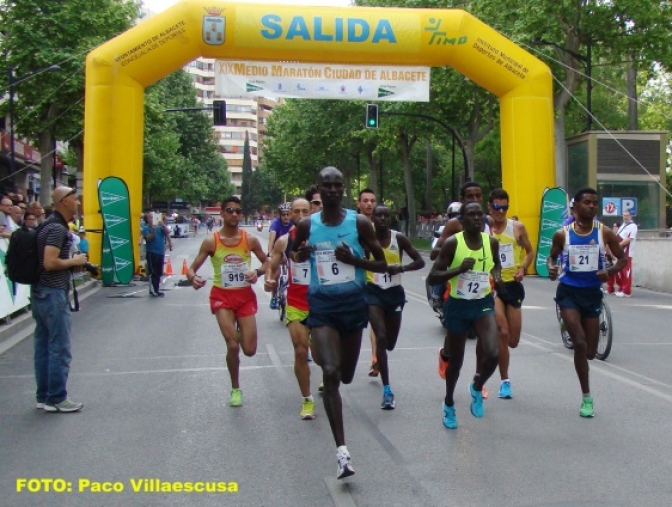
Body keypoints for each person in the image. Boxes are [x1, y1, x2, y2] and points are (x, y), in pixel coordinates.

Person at [291, 166, 387, 479]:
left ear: (343, 189)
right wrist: (301, 254)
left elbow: (381, 262)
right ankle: (342, 453)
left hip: (353, 306)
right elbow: (296, 256)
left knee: (345, 375)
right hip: (322, 307)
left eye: (337, 185)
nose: (332, 190)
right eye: (326, 186)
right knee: (330, 373)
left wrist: (355, 261)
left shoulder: (358, 222)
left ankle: (333, 365)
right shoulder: (308, 225)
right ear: (318, 188)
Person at [548, 188, 627, 417]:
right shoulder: (562, 234)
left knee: (590, 352)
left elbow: (622, 258)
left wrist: (610, 271)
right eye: (587, 202)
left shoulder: (604, 233)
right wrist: (552, 267)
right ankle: (586, 397)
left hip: (592, 293)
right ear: (576, 206)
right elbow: (552, 256)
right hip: (569, 293)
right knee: (580, 344)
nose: (592, 206)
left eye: (595, 203)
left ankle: (574, 330)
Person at [187, 197, 268, 407]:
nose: (234, 214)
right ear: (222, 213)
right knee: (232, 345)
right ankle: (235, 388)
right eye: (230, 210)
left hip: (244, 297)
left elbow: (268, 262)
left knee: (249, 350)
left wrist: (257, 272)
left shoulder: (249, 240)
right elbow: (191, 268)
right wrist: (192, 278)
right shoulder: (211, 241)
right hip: (222, 296)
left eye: (238, 211)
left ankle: (240, 331)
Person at [428, 202, 502, 429]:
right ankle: (449, 402)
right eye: (471, 215)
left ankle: (477, 386)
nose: (477, 218)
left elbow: (496, 265)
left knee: (493, 353)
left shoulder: (491, 242)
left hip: (482, 303)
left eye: (480, 215)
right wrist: (458, 269)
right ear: (462, 219)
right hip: (458, 305)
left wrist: (496, 277)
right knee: (456, 362)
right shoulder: (453, 243)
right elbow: (433, 276)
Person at [429, 181, 492, 399]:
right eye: (470, 196)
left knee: (488, 342)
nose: (474, 200)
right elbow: (436, 253)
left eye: (478, 196)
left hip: (484, 293)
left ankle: (478, 379)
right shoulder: (456, 225)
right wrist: (456, 262)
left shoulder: (488, 223)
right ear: (462, 200)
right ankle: (446, 355)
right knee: (457, 343)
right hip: (456, 290)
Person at [33, 187, 88, 412]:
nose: (77, 204)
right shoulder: (56, 229)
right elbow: (50, 262)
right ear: (64, 202)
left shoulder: (46, 225)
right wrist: (73, 262)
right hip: (53, 293)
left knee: (44, 345)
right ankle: (57, 397)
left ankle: (44, 396)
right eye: (75, 200)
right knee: (59, 346)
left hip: (40, 292)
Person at [367, 204, 425, 409]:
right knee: (381, 337)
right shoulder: (367, 238)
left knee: (390, 343)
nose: (382, 219)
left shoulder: (398, 238)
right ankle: (387, 390)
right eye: (378, 215)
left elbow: (420, 262)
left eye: (385, 215)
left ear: (390, 218)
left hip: (394, 293)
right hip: (372, 292)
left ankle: (380, 357)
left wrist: (402, 267)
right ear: (372, 218)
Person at [264, 197, 316, 419]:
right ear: (291, 215)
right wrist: (268, 279)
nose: (302, 214)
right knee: (300, 351)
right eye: (297, 211)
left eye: (306, 210)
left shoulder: (323, 238)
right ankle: (307, 400)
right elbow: (272, 265)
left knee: (324, 357)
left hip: (322, 304)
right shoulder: (284, 241)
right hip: (296, 303)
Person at [487, 189, 535, 399]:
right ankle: (505, 380)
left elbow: (530, 251)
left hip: (512, 285)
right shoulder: (484, 230)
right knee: (502, 331)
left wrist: (523, 268)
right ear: (489, 207)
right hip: (492, 286)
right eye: (497, 207)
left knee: (513, 340)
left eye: (504, 207)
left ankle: (499, 351)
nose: (500, 211)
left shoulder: (517, 228)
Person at [356, 188, 381, 378]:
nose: (369, 204)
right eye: (365, 200)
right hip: (354, 280)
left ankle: (375, 358)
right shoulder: (351, 224)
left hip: (375, 280)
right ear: (358, 203)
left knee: (376, 323)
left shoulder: (381, 224)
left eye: (372, 200)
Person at [268, 202, 293, 309]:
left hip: (289, 251)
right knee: (276, 273)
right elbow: (271, 239)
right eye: (283, 214)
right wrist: (270, 252)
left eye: (288, 214)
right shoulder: (275, 224)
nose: (286, 217)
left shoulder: (293, 223)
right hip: (277, 251)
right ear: (279, 215)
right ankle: (273, 297)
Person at [142, 212, 172, 297]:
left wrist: (163, 225)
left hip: (160, 252)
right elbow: (148, 238)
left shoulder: (160, 227)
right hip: (152, 252)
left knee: (159, 272)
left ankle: (157, 289)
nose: (152, 220)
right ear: (147, 219)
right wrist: (153, 230)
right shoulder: (146, 228)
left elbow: (167, 232)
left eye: (153, 217)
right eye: (150, 218)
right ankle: (154, 290)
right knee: (153, 272)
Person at [608, 210, 637, 298]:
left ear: (631, 216)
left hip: (627, 252)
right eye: (624, 215)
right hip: (620, 252)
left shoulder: (633, 226)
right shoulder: (623, 226)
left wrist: (618, 245)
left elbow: (629, 239)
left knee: (626, 271)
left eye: (627, 215)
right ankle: (621, 288)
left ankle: (627, 291)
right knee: (620, 271)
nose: (625, 217)